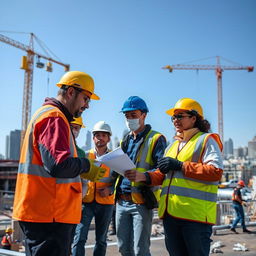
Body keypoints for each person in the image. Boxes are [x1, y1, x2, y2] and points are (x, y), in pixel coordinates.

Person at [12, 71, 106, 256]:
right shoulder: (54, 117)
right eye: (86, 98)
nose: (87, 105)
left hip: (47, 212)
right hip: (48, 214)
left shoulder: (51, 116)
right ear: (71, 92)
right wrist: (86, 166)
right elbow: (58, 165)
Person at [128, 98, 223, 256]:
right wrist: (143, 176)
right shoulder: (172, 145)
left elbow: (215, 171)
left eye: (180, 116)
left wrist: (181, 165)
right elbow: (163, 174)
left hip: (195, 217)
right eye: (173, 117)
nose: (175, 120)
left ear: (194, 118)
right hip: (171, 214)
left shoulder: (206, 140)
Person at [115, 96, 166, 256]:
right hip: (121, 201)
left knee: (140, 250)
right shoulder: (126, 139)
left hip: (141, 202)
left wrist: (143, 176)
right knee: (123, 248)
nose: (129, 119)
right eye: (127, 116)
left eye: (133, 115)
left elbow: (163, 171)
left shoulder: (156, 139)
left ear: (144, 115)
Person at [72, 121, 116, 256]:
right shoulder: (85, 155)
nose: (100, 138)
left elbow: (121, 179)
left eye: (104, 135)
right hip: (86, 201)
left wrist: (110, 189)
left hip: (106, 203)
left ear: (108, 138)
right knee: (79, 238)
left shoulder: (115, 157)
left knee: (101, 240)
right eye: (97, 135)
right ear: (93, 138)